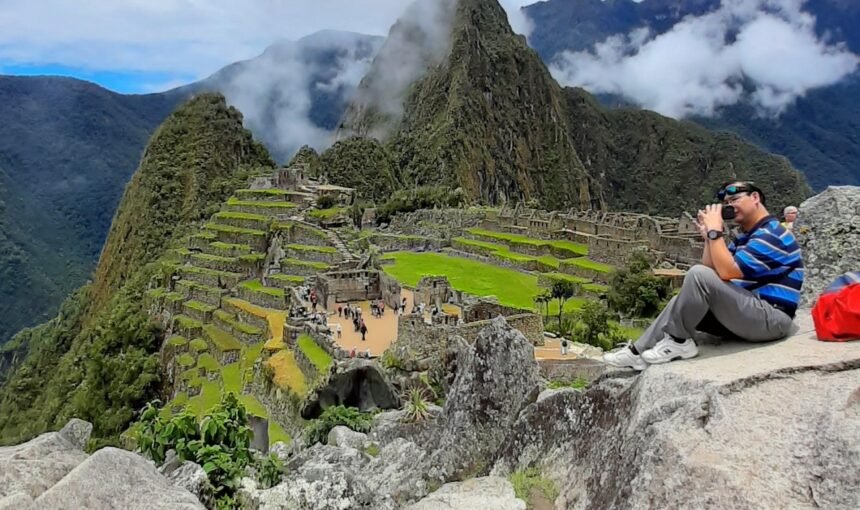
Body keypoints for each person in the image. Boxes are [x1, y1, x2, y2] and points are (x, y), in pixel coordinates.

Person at [604, 181, 804, 371]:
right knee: (682, 299)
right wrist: (709, 237)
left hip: (772, 318)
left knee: (697, 275)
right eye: (726, 203)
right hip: (749, 314)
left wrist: (716, 232)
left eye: (735, 200)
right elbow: (711, 269)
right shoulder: (746, 235)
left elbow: (725, 272)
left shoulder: (772, 234)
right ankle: (638, 352)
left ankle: (679, 341)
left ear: (755, 198)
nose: (730, 206)